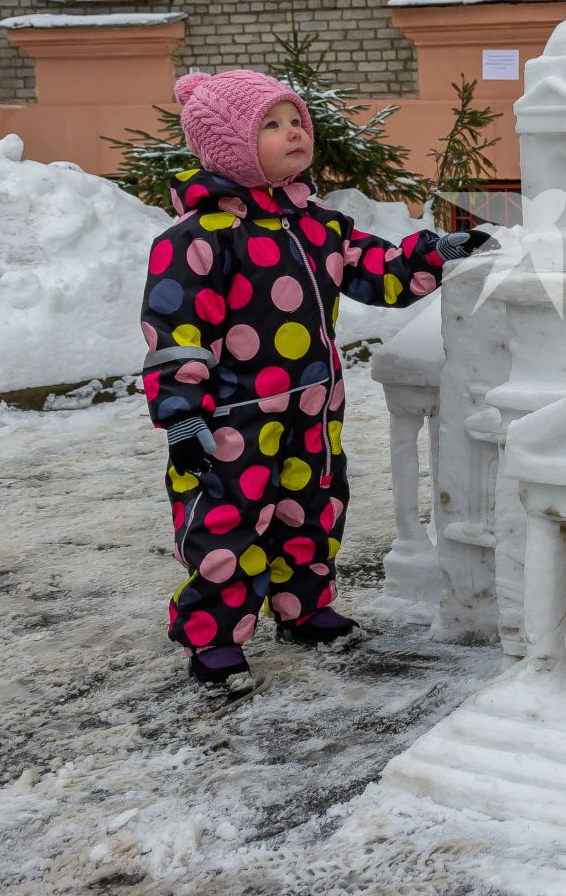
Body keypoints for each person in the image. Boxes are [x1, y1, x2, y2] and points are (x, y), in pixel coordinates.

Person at [138, 69, 491, 695]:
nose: (293, 131)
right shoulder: (197, 240)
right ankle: (214, 638)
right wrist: (181, 410)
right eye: (270, 125)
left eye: (294, 119)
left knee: (312, 511)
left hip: (313, 410)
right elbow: (176, 332)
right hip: (231, 419)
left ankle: (303, 608)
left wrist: (435, 253)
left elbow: (377, 271)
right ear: (229, 148)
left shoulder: (320, 225)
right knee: (229, 522)